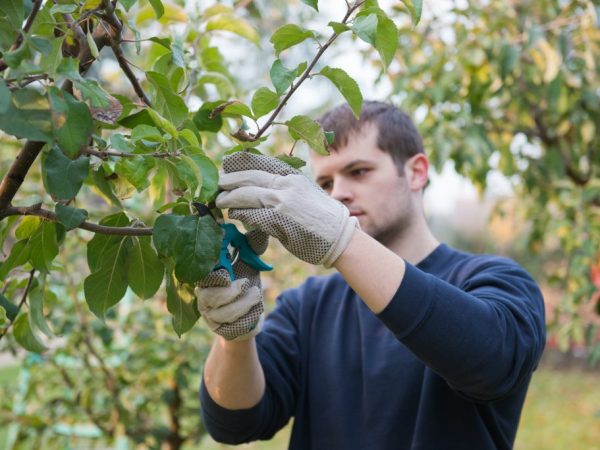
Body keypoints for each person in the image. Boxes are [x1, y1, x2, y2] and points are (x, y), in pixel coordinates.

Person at [195, 101, 546, 450]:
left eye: (359, 171)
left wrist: (342, 240)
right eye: (325, 183)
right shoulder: (308, 306)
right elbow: (235, 422)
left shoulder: (496, 280)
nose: (338, 193)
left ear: (416, 172)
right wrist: (235, 336)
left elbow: (493, 362)